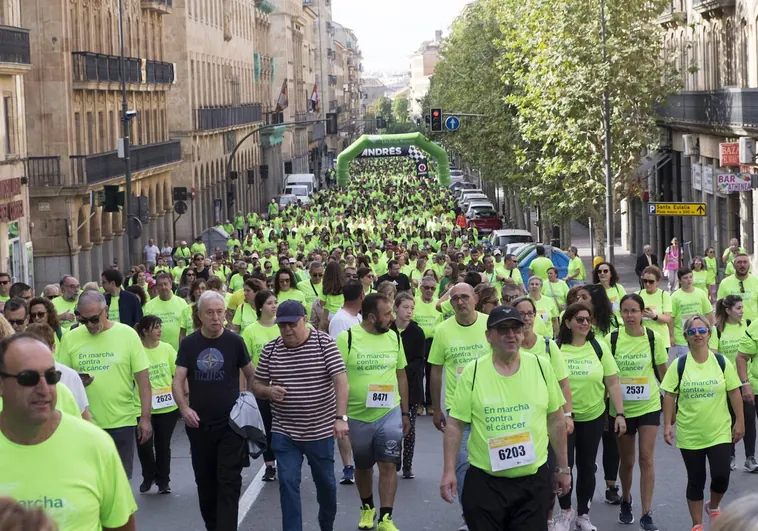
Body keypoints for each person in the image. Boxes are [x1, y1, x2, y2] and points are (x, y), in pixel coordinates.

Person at [440, 305, 570, 531]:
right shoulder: (473, 372)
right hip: (486, 484)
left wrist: (563, 468)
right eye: (503, 329)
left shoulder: (541, 366)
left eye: (516, 329)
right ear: (488, 336)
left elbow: (556, 420)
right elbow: (455, 425)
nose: (511, 335)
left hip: (532, 482)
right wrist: (449, 471)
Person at [0, 334, 139, 531]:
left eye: (51, 377)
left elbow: (121, 526)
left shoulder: (96, 444)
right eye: (28, 378)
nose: (44, 389)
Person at [253, 299, 349, 531]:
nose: (286, 330)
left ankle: (327, 525)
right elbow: (256, 385)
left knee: (326, 485)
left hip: (320, 430)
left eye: (291, 324)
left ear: (304, 320)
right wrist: (268, 391)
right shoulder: (271, 349)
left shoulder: (323, 342)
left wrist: (340, 418)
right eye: (281, 325)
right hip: (285, 431)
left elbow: (341, 381)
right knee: (287, 483)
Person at [173, 290, 255, 531]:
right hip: (199, 426)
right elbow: (177, 381)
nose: (216, 317)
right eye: (210, 313)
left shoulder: (235, 341)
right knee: (206, 483)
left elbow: (251, 374)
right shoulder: (189, 343)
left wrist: (245, 402)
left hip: (231, 425)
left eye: (219, 312)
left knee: (229, 482)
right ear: (199, 315)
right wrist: (185, 409)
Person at [56, 290, 153, 479]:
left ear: (105, 311)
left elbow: (143, 381)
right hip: (84, 423)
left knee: (121, 481)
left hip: (121, 421)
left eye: (94, 319)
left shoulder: (127, 335)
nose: (90, 326)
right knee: (90, 480)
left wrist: (145, 418)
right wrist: (79, 382)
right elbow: (62, 380)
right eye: (83, 321)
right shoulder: (71, 337)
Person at [335, 293, 411, 531]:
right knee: (364, 466)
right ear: (371, 317)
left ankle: (386, 518)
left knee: (388, 464)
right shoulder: (346, 338)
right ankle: (367, 507)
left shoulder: (394, 338)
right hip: (358, 415)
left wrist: (405, 412)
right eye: (387, 314)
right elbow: (337, 377)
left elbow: (401, 375)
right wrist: (339, 415)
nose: (391, 318)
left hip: (388, 412)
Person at [661, 315, 744, 531]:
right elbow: (669, 394)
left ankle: (713, 506)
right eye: (692, 332)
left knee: (721, 476)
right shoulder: (679, 365)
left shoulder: (721, 362)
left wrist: (740, 422)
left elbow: (734, 391)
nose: (697, 335)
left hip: (719, 431)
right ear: (686, 337)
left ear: (709, 334)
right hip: (690, 433)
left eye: (701, 331)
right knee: (696, 480)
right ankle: (696, 525)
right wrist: (668, 425)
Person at [553, 302, 626, 531]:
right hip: (563, 418)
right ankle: (565, 512)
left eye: (587, 319)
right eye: (579, 319)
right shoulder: (556, 348)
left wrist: (620, 413)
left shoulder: (599, 346)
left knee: (586, 467)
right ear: (567, 323)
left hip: (593, 416)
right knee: (564, 467)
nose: (585, 323)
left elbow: (612, 381)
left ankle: (583, 515)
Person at [429, 282, 490, 529]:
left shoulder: (489, 324)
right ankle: (471, 516)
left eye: (465, 297)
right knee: (463, 466)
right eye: (455, 299)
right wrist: (436, 408)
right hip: (458, 410)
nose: (460, 302)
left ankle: (492, 511)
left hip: (491, 407)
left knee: (491, 463)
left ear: (475, 298)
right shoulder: (443, 330)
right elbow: (436, 370)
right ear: (449, 303)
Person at [610, 294, 669, 530]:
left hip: (649, 405)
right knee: (627, 461)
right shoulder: (612, 339)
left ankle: (646, 512)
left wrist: (672, 406)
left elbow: (664, 375)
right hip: (621, 410)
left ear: (642, 312)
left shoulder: (652, 337)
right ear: (620, 314)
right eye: (625, 311)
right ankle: (626, 499)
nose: (630, 316)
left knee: (646, 458)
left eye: (634, 311)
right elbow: (607, 375)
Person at [134, 315, 179, 494]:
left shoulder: (167, 348)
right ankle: (148, 475)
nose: (160, 330)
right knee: (144, 444)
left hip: (167, 406)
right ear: (145, 331)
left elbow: (177, 373)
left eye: (160, 326)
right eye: (155, 327)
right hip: (141, 405)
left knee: (162, 445)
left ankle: (163, 481)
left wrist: (184, 395)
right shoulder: (137, 351)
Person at [713, 296, 756, 472]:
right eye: (738, 308)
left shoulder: (747, 324)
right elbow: (714, 356)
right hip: (727, 383)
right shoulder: (717, 330)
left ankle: (750, 457)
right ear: (728, 310)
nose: (742, 311)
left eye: (742, 307)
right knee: (729, 419)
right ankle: (730, 456)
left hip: (745, 381)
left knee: (749, 419)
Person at [242, 290, 280, 481]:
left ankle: (286, 460)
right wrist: (244, 392)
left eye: (275, 302)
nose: (274, 306)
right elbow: (243, 363)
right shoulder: (250, 331)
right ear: (259, 307)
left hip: (283, 386)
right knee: (266, 427)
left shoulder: (282, 326)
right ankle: (270, 465)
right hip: (261, 387)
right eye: (269, 303)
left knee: (283, 427)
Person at [25, 321, 92, 421]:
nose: (37, 354)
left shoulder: (70, 376)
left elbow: (85, 417)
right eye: (32, 349)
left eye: (42, 349)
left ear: (53, 348)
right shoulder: (18, 376)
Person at [392, 292, 426, 479]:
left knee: (409, 427)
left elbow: (419, 360)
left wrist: (402, 368)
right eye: (405, 307)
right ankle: (394, 459)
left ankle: (407, 465)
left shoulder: (416, 332)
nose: (409, 311)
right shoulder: (388, 329)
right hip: (390, 386)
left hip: (411, 386)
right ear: (396, 307)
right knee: (392, 427)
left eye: (412, 308)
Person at [672, 268, 714, 358]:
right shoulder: (675, 296)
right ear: (680, 280)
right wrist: (671, 336)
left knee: (701, 360)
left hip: (700, 335)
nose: (689, 280)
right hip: (682, 337)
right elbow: (671, 318)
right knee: (685, 363)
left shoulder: (701, 293)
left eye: (691, 277)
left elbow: (709, 313)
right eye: (685, 278)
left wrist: (710, 331)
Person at [144, 273, 188, 352]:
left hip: (179, 350)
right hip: (157, 351)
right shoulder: (149, 306)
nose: (163, 287)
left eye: (165, 284)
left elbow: (186, 327)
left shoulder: (182, 303)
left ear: (171, 285)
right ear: (157, 287)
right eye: (160, 285)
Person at [637, 266, 674, 353]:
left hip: (661, 340)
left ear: (657, 282)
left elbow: (668, 319)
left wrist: (654, 316)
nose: (647, 284)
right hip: (643, 339)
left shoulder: (664, 295)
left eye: (651, 281)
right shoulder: (637, 295)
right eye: (645, 281)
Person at [718, 253, 758, 322]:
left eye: (745, 262)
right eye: (739, 262)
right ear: (733, 265)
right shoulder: (725, 283)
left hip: (753, 326)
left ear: (749, 265)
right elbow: (720, 307)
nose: (742, 265)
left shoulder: (756, 281)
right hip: (732, 326)